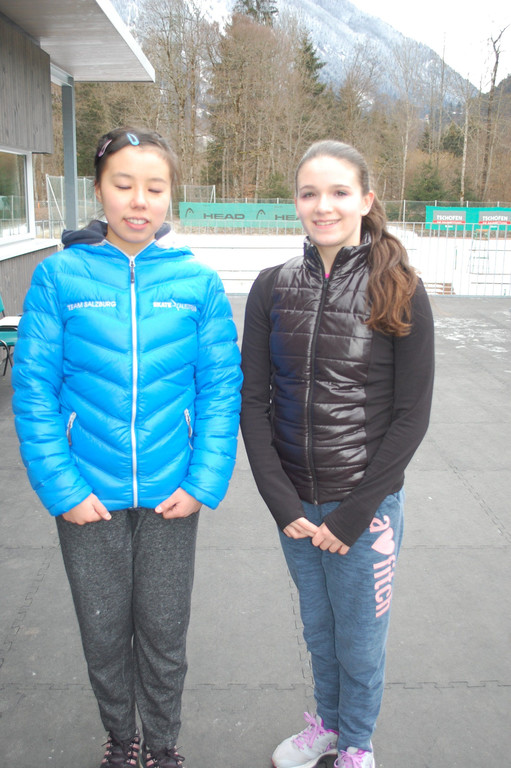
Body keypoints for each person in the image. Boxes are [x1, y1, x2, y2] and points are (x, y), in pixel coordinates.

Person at [12, 127, 242, 768]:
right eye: (123, 185)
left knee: (165, 632)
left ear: (171, 197)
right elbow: (34, 391)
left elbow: (220, 390)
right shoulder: (58, 277)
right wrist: (64, 489)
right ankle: (122, 740)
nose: (139, 201)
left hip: (171, 495)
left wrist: (201, 482)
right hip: (88, 498)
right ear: (98, 191)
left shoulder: (198, 283)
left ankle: (163, 745)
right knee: (103, 631)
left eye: (154, 188)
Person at [240, 140, 434, 768]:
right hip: (298, 510)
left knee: (360, 641)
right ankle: (327, 726)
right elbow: (254, 402)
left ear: (366, 200)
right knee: (319, 633)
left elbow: (411, 416)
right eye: (309, 193)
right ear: (296, 202)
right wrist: (282, 503)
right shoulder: (272, 287)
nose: (323, 206)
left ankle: (356, 746)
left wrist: (354, 514)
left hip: (364, 512)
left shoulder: (400, 288)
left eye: (339, 192)